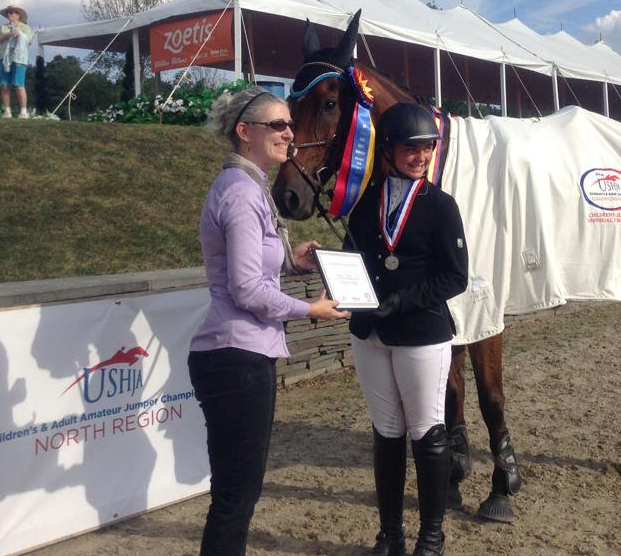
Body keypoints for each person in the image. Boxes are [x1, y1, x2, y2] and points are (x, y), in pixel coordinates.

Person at [188, 88, 348, 556]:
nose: (289, 134)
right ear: (245, 132)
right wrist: (309, 310)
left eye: (290, 125)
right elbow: (246, 290)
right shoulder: (241, 193)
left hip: (239, 353)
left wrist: (290, 262)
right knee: (236, 497)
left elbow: (249, 271)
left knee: (237, 493)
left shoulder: (247, 186)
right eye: (277, 125)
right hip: (236, 356)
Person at [345, 102, 469, 556]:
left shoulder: (440, 206)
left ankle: (431, 536)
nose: (420, 156)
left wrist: (403, 300)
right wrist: (339, 280)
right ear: (388, 151)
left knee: (426, 431)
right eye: (410, 148)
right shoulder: (366, 203)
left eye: (427, 148)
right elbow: (352, 257)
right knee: (386, 431)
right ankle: (390, 534)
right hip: (370, 334)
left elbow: (455, 276)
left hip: (421, 333)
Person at [0, 5, 34, 118]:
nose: (9, 14)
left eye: (12, 12)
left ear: (18, 15)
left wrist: (20, 34)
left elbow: (28, 41)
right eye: (8, 13)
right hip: (4, 58)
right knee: (4, 85)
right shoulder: (3, 27)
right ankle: (7, 111)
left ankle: (23, 112)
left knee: (19, 85)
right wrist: (8, 35)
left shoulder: (25, 27)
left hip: (19, 59)